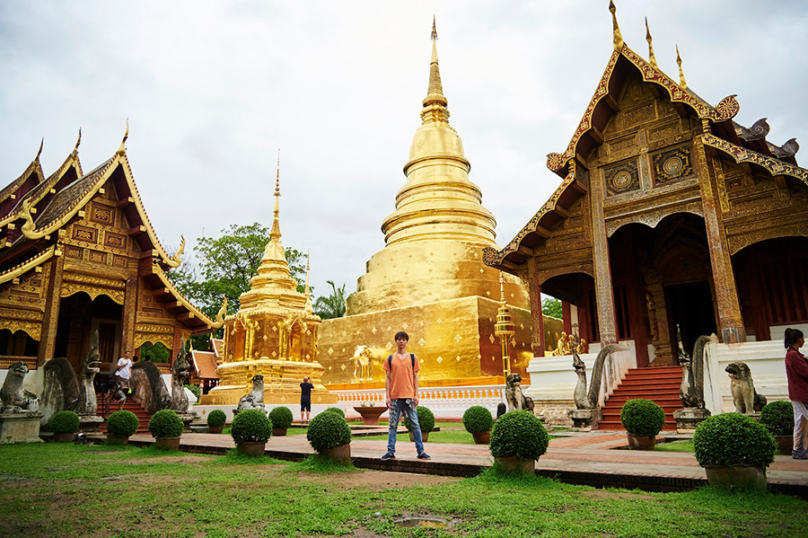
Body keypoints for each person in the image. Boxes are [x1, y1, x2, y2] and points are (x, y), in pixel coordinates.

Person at [381, 331, 430, 461]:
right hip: (395, 396)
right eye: (399, 339)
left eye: (403, 339)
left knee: (415, 424)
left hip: (409, 396)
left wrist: (416, 395)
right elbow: (387, 379)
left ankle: (421, 451)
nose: (401, 341)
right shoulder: (390, 359)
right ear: (396, 341)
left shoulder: (413, 358)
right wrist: (387, 397)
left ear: (407, 342)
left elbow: (415, 377)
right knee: (392, 425)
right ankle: (390, 451)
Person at [784, 328, 808, 460]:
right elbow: (805, 372)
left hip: (798, 393)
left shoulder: (793, 354)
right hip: (801, 393)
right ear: (799, 340)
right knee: (801, 422)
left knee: (801, 422)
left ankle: (800, 450)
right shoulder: (793, 355)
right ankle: (800, 450)